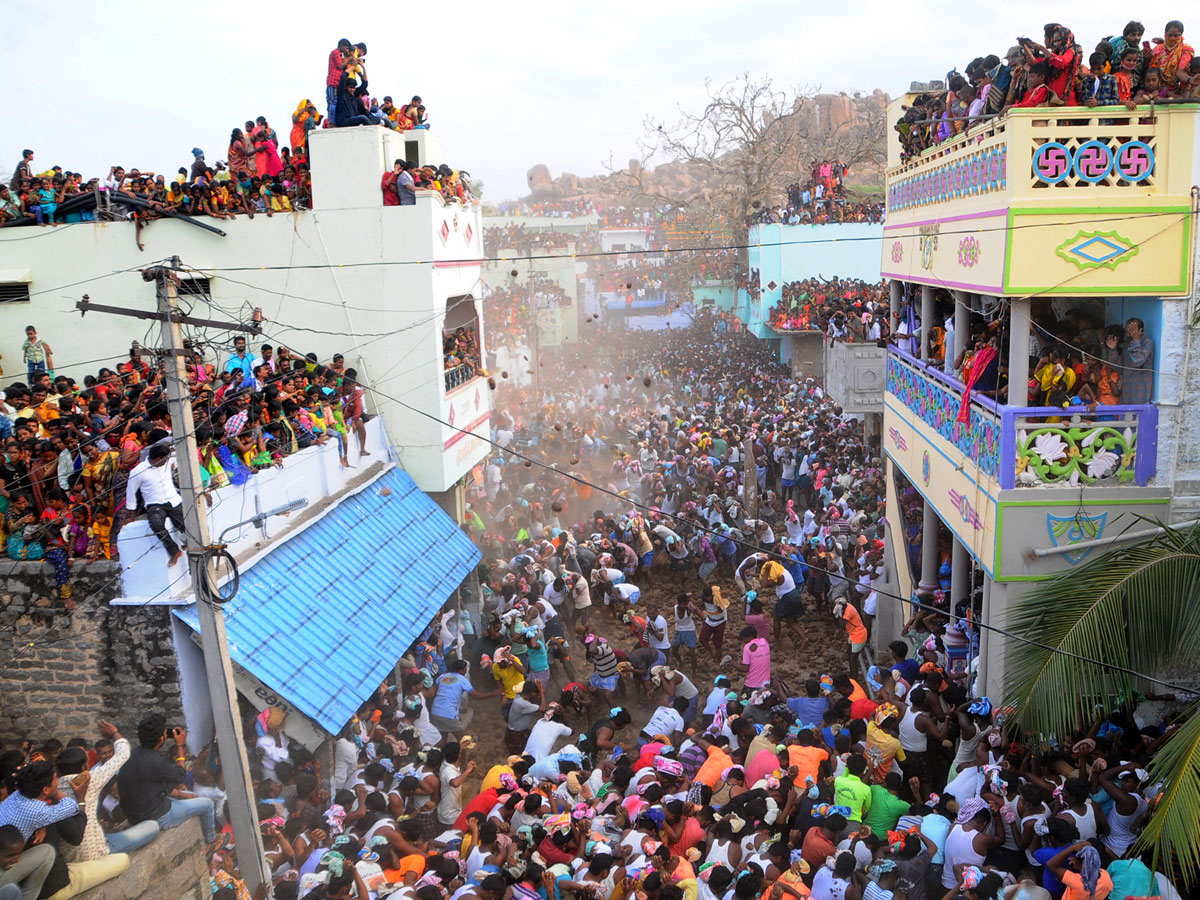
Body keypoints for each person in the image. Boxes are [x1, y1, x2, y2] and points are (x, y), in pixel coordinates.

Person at [115, 713, 217, 849]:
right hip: (156, 816)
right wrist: (179, 745)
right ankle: (210, 842)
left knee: (188, 797)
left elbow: (154, 783)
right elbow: (180, 776)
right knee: (207, 804)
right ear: (162, 738)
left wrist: (181, 795)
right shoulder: (156, 761)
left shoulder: (132, 753)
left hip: (136, 812)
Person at [124, 444, 186, 567]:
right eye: (165, 458)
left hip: (173, 499)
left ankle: (192, 545)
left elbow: (178, 449)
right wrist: (131, 514)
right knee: (156, 525)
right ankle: (174, 550)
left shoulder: (168, 461)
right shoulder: (138, 471)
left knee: (187, 522)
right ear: (158, 459)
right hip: (155, 503)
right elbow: (130, 492)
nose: (167, 460)